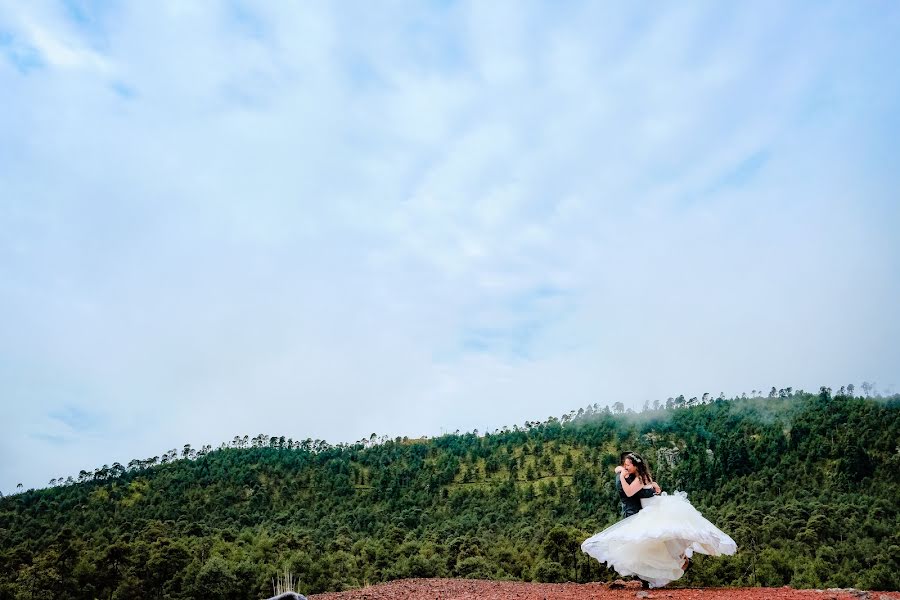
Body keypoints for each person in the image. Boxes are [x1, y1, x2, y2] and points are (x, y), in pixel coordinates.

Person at [581, 451, 737, 588]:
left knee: (657, 538)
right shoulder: (639, 475)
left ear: (636, 466)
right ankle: (657, 574)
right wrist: (621, 469)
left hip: (652, 509)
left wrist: (621, 475)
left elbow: (629, 493)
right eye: (625, 464)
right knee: (652, 542)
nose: (625, 467)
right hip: (649, 509)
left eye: (628, 465)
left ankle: (675, 564)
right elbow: (619, 469)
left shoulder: (641, 477)